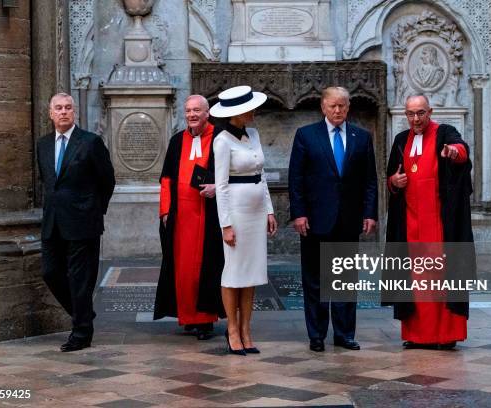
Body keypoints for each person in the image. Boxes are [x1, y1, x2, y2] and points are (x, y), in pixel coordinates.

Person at [288, 86, 378, 352]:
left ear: (348, 107)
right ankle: (316, 335)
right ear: (323, 107)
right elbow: (296, 179)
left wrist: (370, 213)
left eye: (342, 106)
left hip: (348, 219)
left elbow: (370, 181)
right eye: (332, 106)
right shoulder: (306, 135)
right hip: (315, 219)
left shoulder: (361, 137)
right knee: (315, 280)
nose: (337, 111)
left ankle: (344, 334)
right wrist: (299, 213)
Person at [385, 94, 475, 350]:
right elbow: (391, 176)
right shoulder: (401, 140)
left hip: (439, 224)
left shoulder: (445, 132)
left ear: (430, 111)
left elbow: (461, 150)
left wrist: (453, 153)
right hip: (409, 224)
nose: (416, 119)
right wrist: (394, 182)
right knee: (413, 282)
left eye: (421, 113)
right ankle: (416, 335)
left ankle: (446, 336)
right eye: (411, 114)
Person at [37, 93, 115, 352]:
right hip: (53, 222)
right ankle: (83, 313)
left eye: (68, 108)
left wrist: (94, 210)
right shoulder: (43, 144)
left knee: (81, 279)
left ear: (75, 112)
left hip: (83, 222)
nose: (63, 112)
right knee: (50, 272)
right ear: (50, 113)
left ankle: (81, 333)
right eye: (58, 108)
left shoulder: (90, 143)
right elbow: (49, 183)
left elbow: (107, 180)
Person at [209, 85, 278, 355]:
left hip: (257, 211)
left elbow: (261, 174)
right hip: (236, 213)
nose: (254, 111)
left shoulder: (254, 134)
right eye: (250, 108)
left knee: (251, 273)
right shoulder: (222, 140)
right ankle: (233, 330)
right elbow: (221, 185)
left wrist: (270, 210)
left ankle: (248, 329)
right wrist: (225, 224)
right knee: (233, 272)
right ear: (237, 113)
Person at [153, 95, 225, 340]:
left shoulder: (220, 138)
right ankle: (188, 317)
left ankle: (205, 320)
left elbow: (230, 174)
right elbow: (166, 180)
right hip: (181, 216)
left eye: (197, 110)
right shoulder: (176, 141)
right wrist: (165, 211)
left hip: (208, 216)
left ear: (208, 113)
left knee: (205, 267)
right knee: (182, 269)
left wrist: (217, 186)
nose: (192, 115)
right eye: (188, 111)